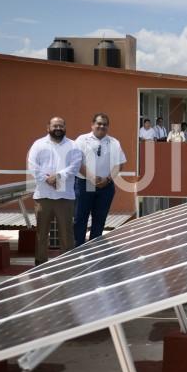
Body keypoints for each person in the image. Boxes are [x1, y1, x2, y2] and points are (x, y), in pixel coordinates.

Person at [27, 116, 82, 266]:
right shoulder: (38, 144)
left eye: (61, 126)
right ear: (48, 128)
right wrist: (47, 179)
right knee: (41, 234)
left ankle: (67, 266)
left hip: (65, 197)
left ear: (65, 128)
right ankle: (40, 265)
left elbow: (75, 166)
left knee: (66, 234)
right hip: (43, 196)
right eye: (55, 126)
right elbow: (32, 165)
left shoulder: (73, 146)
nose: (58, 129)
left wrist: (57, 177)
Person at [74, 113, 127, 247]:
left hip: (106, 186)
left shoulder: (114, 142)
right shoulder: (81, 140)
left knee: (99, 221)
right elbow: (76, 162)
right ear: (92, 125)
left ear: (108, 127)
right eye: (99, 123)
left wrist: (108, 179)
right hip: (85, 184)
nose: (101, 126)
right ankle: (76, 253)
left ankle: (94, 252)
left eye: (104, 124)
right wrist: (91, 177)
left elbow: (119, 164)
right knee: (80, 219)